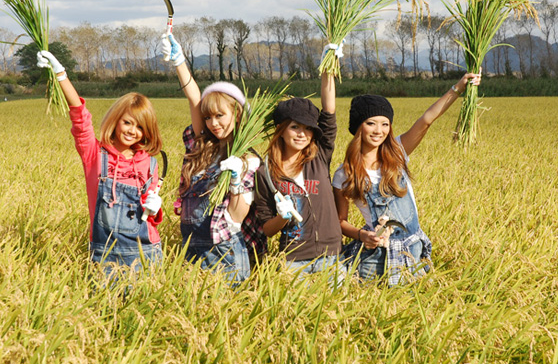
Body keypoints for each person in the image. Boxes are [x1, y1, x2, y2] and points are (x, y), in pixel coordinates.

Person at [332, 73, 482, 286]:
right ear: (358, 127)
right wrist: (362, 235)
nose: (379, 131)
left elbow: (427, 120)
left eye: (385, 124)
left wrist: (458, 88)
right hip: (375, 259)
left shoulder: (397, 154)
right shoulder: (345, 173)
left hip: (412, 255)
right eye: (371, 123)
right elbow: (340, 222)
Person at [36, 50, 165, 282]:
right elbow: (80, 118)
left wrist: (155, 209)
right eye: (127, 122)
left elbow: (151, 219)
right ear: (116, 120)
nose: (131, 131)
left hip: (146, 254)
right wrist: (60, 74)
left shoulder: (150, 163)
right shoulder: (95, 154)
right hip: (105, 256)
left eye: (139, 127)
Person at [161, 32, 265, 287]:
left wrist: (235, 180)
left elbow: (237, 216)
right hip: (191, 248)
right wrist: (179, 62)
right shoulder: (203, 147)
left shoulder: (247, 159)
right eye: (208, 118)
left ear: (237, 115)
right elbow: (194, 100)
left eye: (220, 115)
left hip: (224, 253)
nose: (213, 123)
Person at [254, 64, 344, 286]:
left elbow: (329, 112)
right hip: (293, 262)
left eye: (308, 128)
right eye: (295, 127)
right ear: (281, 130)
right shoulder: (265, 172)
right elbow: (266, 228)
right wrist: (282, 218)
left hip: (331, 257)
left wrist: (327, 69)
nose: (302, 133)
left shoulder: (319, 156)